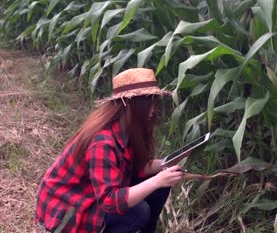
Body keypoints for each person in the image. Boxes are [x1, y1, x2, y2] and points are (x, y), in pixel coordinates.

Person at [35, 68, 184, 233]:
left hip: (93, 194)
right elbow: (110, 201)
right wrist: (157, 180)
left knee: (158, 184)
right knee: (138, 211)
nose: (153, 111)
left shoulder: (126, 130)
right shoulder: (102, 141)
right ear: (129, 105)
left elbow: (136, 166)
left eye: (155, 104)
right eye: (148, 104)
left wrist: (167, 164)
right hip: (69, 207)